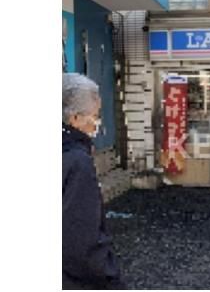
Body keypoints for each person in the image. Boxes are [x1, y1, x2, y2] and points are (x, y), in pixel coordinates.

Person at [63, 73, 125, 289]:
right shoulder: (77, 161)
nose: (97, 123)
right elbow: (81, 239)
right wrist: (110, 278)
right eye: (95, 115)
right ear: (75, 119)